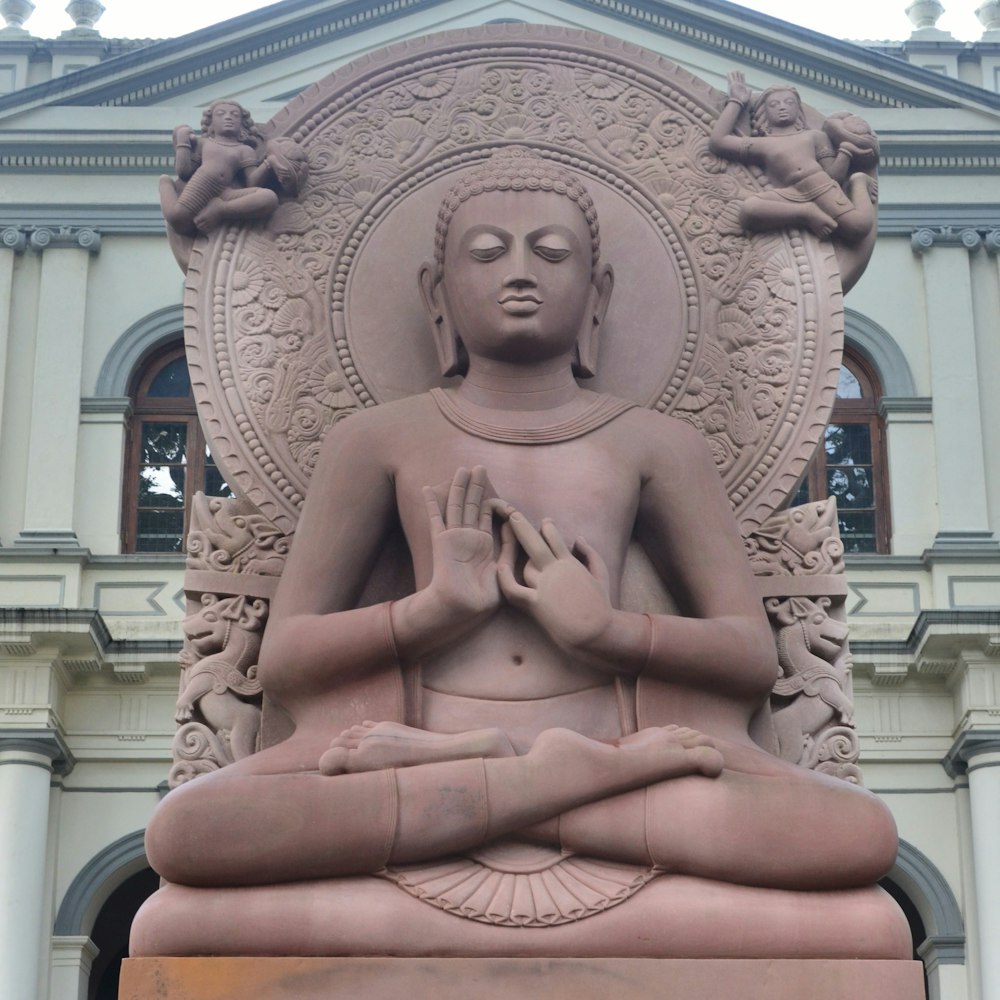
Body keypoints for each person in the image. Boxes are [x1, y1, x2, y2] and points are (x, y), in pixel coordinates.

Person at [145, 149, 896, 894]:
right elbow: (287, 657)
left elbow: (748, 655)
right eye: (485, 252)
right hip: (441, 746)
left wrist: (606, 630)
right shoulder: (373, 440)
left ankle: (506, 797)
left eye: (551, 252)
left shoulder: (657, 444)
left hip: (584, 740)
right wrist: (430, 610)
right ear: (436, 293)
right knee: (187, 834)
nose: (519, 272)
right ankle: (564, 794)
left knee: (858, 837)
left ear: (596, 291)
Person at [710, 71, 877, 241]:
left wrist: (845, 153)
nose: (782, 107)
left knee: (858, 227)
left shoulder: (814, 136)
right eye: (774, 104)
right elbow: (719, 141)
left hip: (822, 187)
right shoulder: (763, 144)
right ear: (763, 111)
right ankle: (806, 212)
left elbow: (834, 176)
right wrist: (736, 101)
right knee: (749, 210)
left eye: (789, 102)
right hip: (791, 194)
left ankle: (859, 182)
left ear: (798, 108)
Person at [159, 99, 280, 236]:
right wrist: (182, 142)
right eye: (221, 114)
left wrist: (268, 164)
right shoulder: (204, 143)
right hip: (201, 186)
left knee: (269, 198)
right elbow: (184, 172)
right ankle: (165, 183)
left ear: (242, 124)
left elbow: (252, 182)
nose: (228, 117)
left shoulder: (245, 150)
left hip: (224, 193)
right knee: (177, 218)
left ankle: (220, 209)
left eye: (235, 115)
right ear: (211, 123)